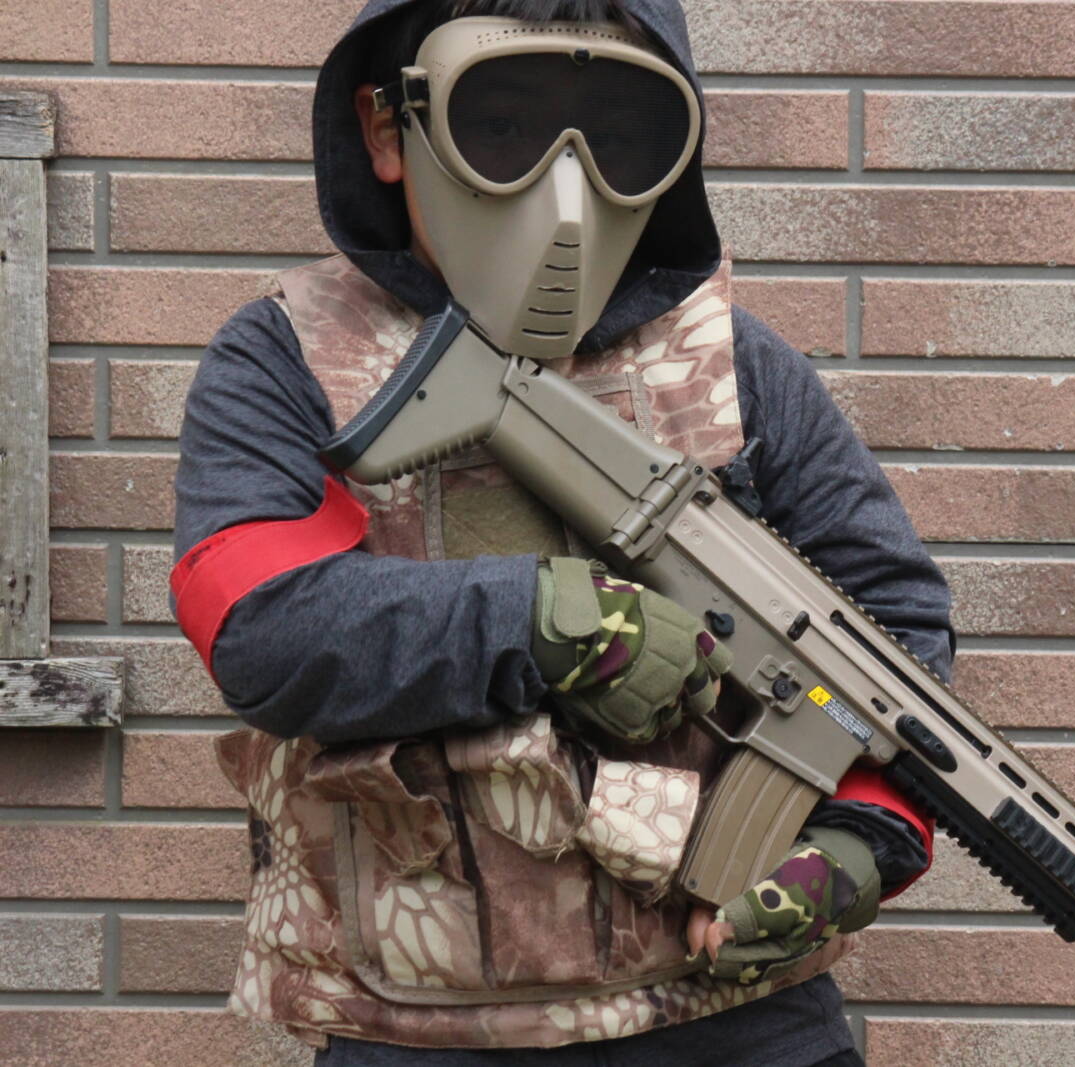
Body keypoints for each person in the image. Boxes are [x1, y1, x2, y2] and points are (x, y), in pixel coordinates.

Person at [169, 0, 955, 1063]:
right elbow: (261, 626)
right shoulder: (290, 358)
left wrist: (860, 839)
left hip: (734, 1018)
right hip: (417, 1028)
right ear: (389, 130)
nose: (565, 189)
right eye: (502, 128)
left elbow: (891, 641)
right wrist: (542, 622)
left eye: (617, 138)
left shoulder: (731, 364)